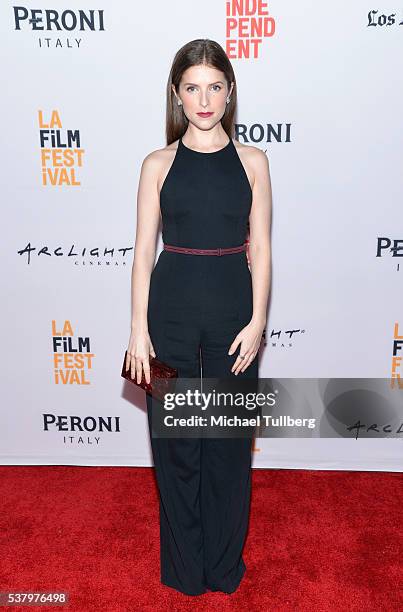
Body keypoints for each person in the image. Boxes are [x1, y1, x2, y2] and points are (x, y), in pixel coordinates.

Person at [126, 38, 272, 596]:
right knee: (176, 444)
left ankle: (222, 568)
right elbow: (142, 252)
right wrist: (138, 330)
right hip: (169, 318)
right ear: (176, 94)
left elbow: (261, 248)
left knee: (229, 447)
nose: (204, 99)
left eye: (214, 86)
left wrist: (259, 320)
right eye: (192, 87)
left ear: (229, 92)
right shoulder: (157, 164)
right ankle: (186, 571)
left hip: (236, 314)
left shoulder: (254, 161)